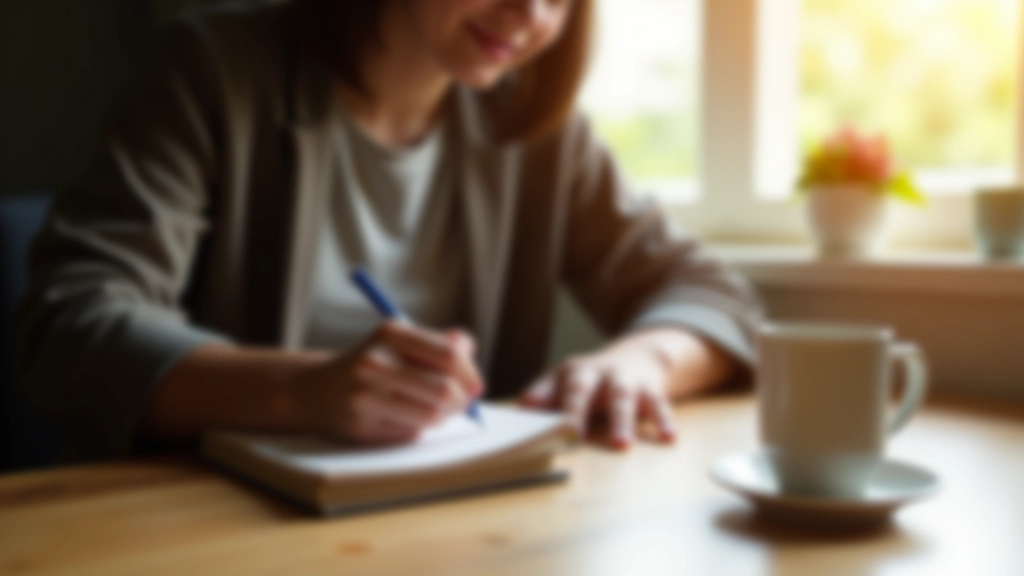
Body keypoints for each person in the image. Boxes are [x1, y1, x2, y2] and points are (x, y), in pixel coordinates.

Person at [15, 0, 761, 463]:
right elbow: (70, 325)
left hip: (427, 530)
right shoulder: (214, 72)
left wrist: (640, 363)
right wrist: (299, 393)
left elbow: (710, 294)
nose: (531, 10)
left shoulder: (534, 128)